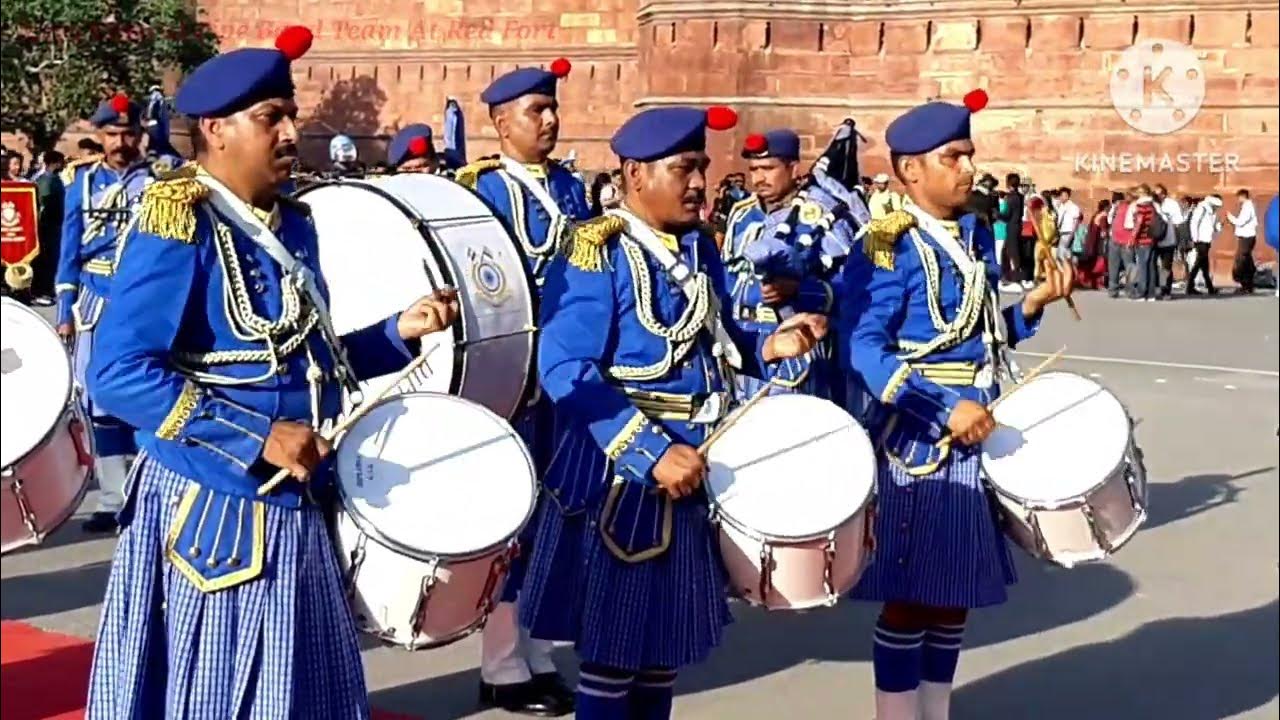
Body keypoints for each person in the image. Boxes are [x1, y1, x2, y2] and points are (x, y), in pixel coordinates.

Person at [83, 26, 461, 718]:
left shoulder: (293, 224)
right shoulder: (178, 219)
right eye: (271, 119)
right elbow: (117, 375)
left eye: (291, 115)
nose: (292, 132)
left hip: (295, 504)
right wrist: (257, 435)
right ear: (215, 129)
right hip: (214, 507)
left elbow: (304, 359)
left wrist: (396, 333)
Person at [518, 104, 826, 720]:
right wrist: (649, 453)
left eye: (701, 168)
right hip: (623, 481)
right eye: (683, 168)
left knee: (661, 658)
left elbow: (711, 333)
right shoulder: (594, 251)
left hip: (693, 466)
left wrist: (770, 344)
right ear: (634, 174)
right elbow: (563, 368)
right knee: (613, 660)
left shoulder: (695, 249)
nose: (697, 183)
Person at [837, 92, 1074, 720]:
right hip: (917, 441)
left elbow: (979, 334)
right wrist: (942, 408)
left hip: (977, 428)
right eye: (953, 157)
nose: (969, 169)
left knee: (953, 594)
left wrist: (1033, 305)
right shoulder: (886, 243)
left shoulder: (970, 235)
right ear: (910, 170)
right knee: (911, 597)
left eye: (969, 155)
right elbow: (863, 348)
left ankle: (934, 710)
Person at [454, 56, 590, 717]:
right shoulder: (484, 193)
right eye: (536, 111)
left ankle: (536, 652)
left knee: (553, 519)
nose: (550, 120)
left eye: (553, 108)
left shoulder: (570, 188)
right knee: (512, 518)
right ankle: (501, 664)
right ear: (501, 123)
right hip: (516, 382)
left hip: (564, 380)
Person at [54, 92, 183, 534]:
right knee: (100, 402)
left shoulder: (159, 181)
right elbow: (68, 251)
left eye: (129, 133)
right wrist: (64, 308)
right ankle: (112, 498)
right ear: (100, 136)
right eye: (112, 134)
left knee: (151, 393)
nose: (121, 141)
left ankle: (151, 492)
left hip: (145, 298)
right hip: (95, 299)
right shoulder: (81, 184)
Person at [720, 128, 849, 400]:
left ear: (793, 168)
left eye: (768, 168)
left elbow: (850, 286)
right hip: (743, 344)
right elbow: (729, 272)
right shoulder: (741, 213)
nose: (759, 178)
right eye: (754, 169)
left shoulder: (821, 213)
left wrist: (799, 290)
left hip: (796, 346)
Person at [31, 150, 67, 305]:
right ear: (56, 162)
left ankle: (47, 289)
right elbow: (44, 204)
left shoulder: (54, 179)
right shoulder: (46, 180)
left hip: (54, 224)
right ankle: (42, 290)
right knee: (45, 259)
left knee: (52, 259)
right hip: (46, 226)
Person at [1187, 194, 1223, 296]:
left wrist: (1219, 227)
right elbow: (1194, 223)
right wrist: (1195, 238)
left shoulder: (1213, 211)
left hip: (1207, 240)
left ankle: (1210, 287)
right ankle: (1190, 286)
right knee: (1199, 263)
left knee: (1204, 265)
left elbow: (1215, 226)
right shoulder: (1202, 208)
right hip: (1200, 240)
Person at [1228, 188, 1258, 294]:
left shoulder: (1247, 206)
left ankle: (1245, 284)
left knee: (1242, 261)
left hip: (1247, 237)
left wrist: (1230, 217)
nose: (1238, 199)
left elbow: (1241, 222)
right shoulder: (1248, 206)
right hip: (1246, 237)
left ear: (1242, 196)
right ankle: (1248, 285)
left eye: (1239, 197)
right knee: (1247, 261)